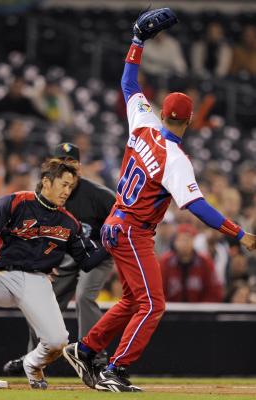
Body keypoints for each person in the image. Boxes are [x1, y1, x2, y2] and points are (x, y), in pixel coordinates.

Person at [62, 8, 256, 393]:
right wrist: (238, 234)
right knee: (152, 304)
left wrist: (137, 41)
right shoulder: (176, 160)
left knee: (135, 298)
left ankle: (85, 349)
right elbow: (197, 206)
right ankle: (114, 368)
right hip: (134, 230)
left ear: (163, 111)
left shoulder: (144, 121)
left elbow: (128, 83)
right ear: (190, 121)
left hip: (115, 224)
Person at [0, 158, 108, 389]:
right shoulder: (16, 202)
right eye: (63, 184)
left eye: (70, 187)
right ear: (46, 181)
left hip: (38, 282)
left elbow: (86, 262)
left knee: (57, 342)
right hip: (4, 277)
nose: (67, 191)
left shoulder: (69, 222)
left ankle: (33, 363)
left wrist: (109, 245)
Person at [3, 142, 115, 374]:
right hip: (65, 257)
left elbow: (121, 219)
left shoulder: (99, 195)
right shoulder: (46, 195)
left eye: (71, 163)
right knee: (42, 299)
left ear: (79, 168)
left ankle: (93, 356)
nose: (67, 168)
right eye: (61, 163)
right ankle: (33, 357)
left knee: (84, 296)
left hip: (96, 255)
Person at [160, 224, 223, 302]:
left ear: (194, 241)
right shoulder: (165, 262)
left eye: (188, 239)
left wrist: (202, 310)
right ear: (175, 242)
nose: (184, 243)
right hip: (170, 310)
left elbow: (214, 291)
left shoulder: (205, 262)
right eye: (181, 239)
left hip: (199, 311)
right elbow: (159, 290)